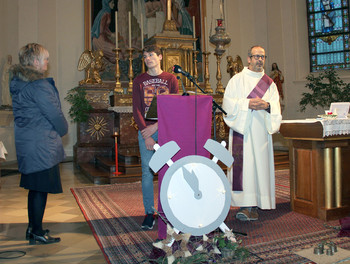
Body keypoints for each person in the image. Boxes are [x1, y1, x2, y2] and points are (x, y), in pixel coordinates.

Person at [10, 43, 68, 244]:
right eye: (46, 59)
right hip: (41, 144)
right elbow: (54, 114)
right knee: (40, 189)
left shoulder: (19, 83)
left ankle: (33, 226)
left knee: (35, 187)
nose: (47, 62)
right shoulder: (39, 87)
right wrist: (63, 129)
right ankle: (37, 231)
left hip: (28, 142)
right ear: (35, 62)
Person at [222, 45, 282, 221]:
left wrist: (268, 105)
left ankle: (259, 202)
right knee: (245, 167)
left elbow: (276, 105)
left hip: (261, 131)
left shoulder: (269, 83)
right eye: (256, 56)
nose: (259, 60)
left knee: (260, 166)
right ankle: (246, 204)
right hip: (243, 131)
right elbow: (227, 104)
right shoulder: (237, 80)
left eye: (262, 57)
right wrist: (247, 104)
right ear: (249, 59)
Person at [132, 45, 179, 230]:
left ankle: (169, 209)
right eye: (144, 56)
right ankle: (149, 212)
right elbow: (136, 108)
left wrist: (157, 127)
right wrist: (146, 133)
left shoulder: (170, 79)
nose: (148, 58)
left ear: (160, 57)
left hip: (167, 128)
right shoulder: (139, 80)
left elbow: (175, 105)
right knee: (147, 171)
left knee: (170, 169)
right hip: (146, 130)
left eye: (151, 55)